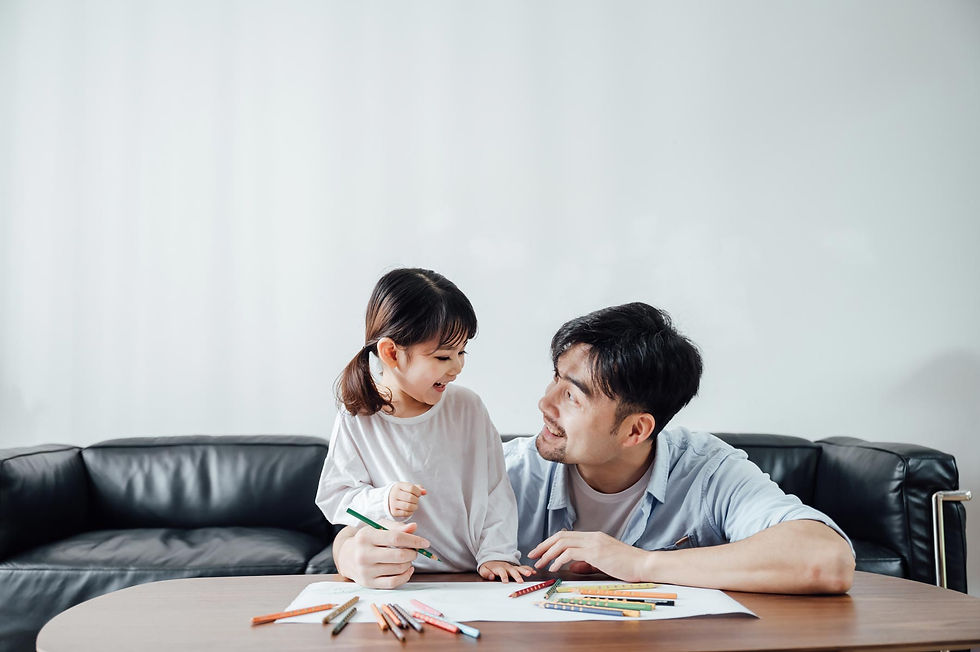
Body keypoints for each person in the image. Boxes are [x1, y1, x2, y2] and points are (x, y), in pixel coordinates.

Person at [331, 302, 855, 594]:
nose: (543, 403)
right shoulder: (510, 470)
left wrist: (638, 563)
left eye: (572, 396)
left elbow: (824, 559)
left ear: (635, 430)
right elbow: (383, 530)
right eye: (553, 380)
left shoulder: (708, 471)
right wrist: (352, 553)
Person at [315, 268, 533, 584]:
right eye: (444, 357)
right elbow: (335, 499)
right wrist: (383, 500)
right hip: (395, 578)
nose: (458, 367)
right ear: (391, 353)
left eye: (462, 352)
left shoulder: (467, 407)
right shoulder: (357, 417)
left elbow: (495, 490)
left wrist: (497, 554)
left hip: (470, 575)